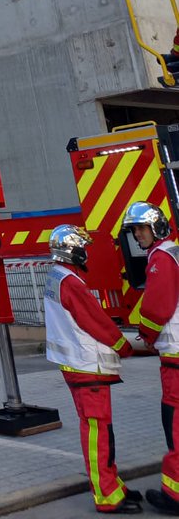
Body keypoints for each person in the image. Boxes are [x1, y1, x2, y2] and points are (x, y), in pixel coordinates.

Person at [44, 224, 140, 515]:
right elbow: (95, 320)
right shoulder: (71, 282)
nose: (85, 253)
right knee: (98, 433)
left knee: (98, 430)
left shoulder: (57, 277)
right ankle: (107, 495)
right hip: (87, 366)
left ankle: (113, 484)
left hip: (78, 366)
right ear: (72, 250)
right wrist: (124, 345)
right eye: (82, 248)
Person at [124, 201, 179, 515]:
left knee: (175, 427)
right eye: (134, 231)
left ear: (155, 227)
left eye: (141, 229)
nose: (137, 236)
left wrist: (144, 335)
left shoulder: (161, 258)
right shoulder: (175, 253)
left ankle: (174, 497)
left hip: (175, 358)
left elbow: (157, 309)